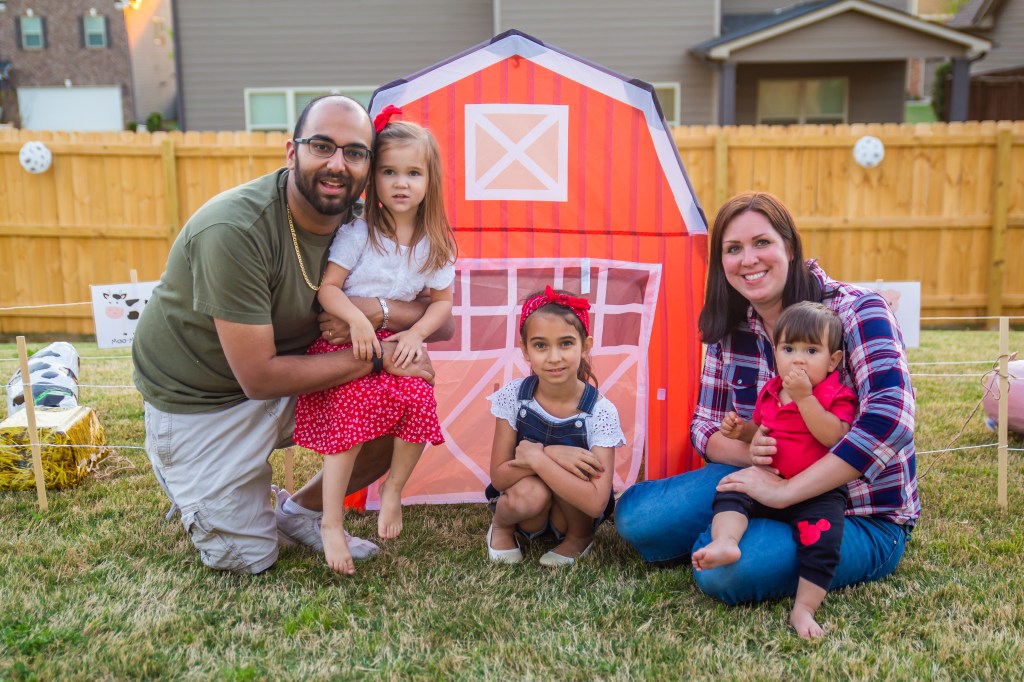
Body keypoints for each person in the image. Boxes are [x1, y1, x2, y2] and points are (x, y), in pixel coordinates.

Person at [132, 95, 451, 575]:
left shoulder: (366, 219)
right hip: (204, 401)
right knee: (247, 560)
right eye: (322, 146)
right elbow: (258, 378)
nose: (337, 165)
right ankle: (189, 476)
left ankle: (299, 510)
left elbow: (442, 318)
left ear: (369, 167)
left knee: (400, 398)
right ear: (291, 151)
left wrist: (374, 310)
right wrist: (381, 356)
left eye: (355, 153)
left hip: (298, 371)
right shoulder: (235, 229)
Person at [615, 191, 919, 627]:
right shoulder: (730, 328)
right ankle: (733, 532)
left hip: (857, 512)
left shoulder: (857, 310)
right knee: (636, 518)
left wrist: (785, 491)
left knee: (728, 574)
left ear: (789, 248)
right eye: (733, 249)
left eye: (762, 243)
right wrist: (754, 456)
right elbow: (704, 426)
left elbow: (890, 423)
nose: (748, 259)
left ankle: (737, 540)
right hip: (765, 481)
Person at [293, 111, 457, 574]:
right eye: (388, 172)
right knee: (352, 411)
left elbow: (442, 305)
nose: (400, 183)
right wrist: (359, 322)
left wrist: (416, 333)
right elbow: (328, 289)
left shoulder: (436, 243)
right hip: (347, 341)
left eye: (412, 173)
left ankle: (393, 490)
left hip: (397, 340)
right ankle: (329, 520)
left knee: (419, 398)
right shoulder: (358, 233)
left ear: (430, 181)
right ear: (373, 179)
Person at [691, 301, 858, 639]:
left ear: (833, 361)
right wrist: (741, 431)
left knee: (823, 541)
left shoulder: (836, 395)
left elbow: (835, 436)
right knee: (730, 491)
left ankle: (804, 608)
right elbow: (759, 426)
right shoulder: (771, 390)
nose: (798, 358)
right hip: (769, 480)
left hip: (816, 492)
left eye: (811, 350)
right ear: (775, 353)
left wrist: (805, 399)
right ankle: (726, 542)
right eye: (788, 348)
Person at [485, 287, 625, 567]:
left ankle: (579, 536)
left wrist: (537, 455)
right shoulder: (514, 398)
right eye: (540, 345)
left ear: (585, 347)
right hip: (529, 507)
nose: (554, 357)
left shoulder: (600, 411)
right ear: (525, 350)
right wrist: (553, 454)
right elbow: (500, 478)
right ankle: (502, 526)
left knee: (577, 477)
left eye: (565, 343)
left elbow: (597, 502)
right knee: (531, 494)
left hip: (573, 509)